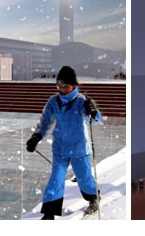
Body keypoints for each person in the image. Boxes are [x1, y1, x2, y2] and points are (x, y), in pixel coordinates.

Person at [25, 66, 100, 220]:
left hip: (80, 147)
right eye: (59, 86)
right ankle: (49, 212)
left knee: (84, 177)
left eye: (65, 86)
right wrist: (36, 136)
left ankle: (93, 197)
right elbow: (45, 121)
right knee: (57, 177)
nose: (62, 89)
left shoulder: (82, 101)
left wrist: (93, 111)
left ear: (73, 85)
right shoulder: (54, 101)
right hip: (60, 147)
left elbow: (97, 120)